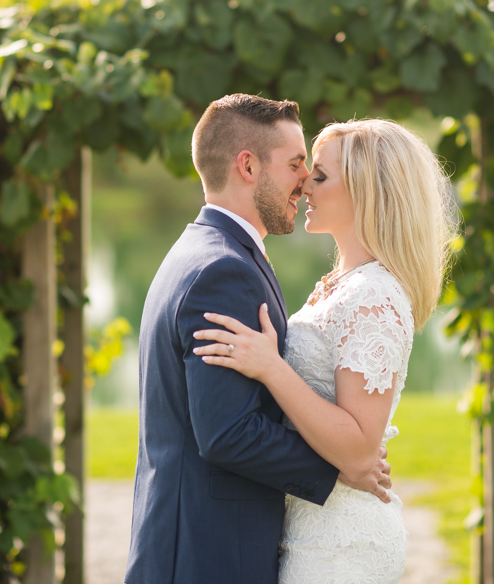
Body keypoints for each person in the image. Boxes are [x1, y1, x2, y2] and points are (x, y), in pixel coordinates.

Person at [124, 95, 393, 584]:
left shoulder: (205, 251)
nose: (304, 181)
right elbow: (228, 432)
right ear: (247, 166)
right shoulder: (223, 271)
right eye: (294, 164)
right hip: (208, 555)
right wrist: (340, 469)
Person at [193, 118, 457, 583]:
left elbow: (359, 450)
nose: (304, 186)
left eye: (320, 175)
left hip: (342, 546)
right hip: (310, 526)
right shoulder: (342, 285)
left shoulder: (375, 296)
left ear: (366, 190)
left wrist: (272, 368)